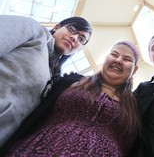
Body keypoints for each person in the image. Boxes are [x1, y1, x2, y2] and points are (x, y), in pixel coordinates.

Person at [1, 40, 141, 156]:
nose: (118, 60)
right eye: (114, 54)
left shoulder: (138, 105)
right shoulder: (72, 81)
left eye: (127, 59)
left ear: (134, 70)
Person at [0, 15, 92, 147]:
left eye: (81, 39)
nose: (74, 37)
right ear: (57, 27)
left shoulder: (54, 79)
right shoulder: (35, 31)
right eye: (72, 29)